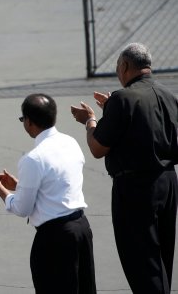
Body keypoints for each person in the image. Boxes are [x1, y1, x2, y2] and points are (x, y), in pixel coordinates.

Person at [70, 43, 178, 294]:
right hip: (168, 182)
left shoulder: (123, 97)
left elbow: (98, 148)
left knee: (141, 262)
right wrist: (111, 109)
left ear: (126, 66)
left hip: (136, 189)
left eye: (118, 67)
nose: (118, 73)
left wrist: (90, 121)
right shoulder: (167, 94)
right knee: (162, 258)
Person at [0, 94, 96, 294]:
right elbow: (58, 184)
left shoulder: (33, 159)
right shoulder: (70, 142)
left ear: (29, 122)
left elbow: (22, 208)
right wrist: (20, 185)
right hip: (81, 230)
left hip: (54, 239)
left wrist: (0, 189)